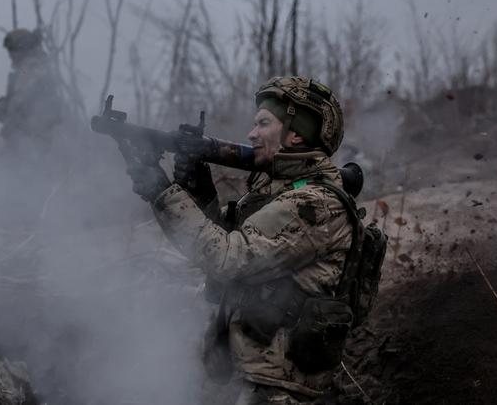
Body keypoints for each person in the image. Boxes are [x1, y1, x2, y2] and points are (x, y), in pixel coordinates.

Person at [123, 76, 360, 404]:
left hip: (279, 390)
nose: (251, 134)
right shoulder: (276, 192)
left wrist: (162, 192)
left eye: (264, 123)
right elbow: (222, 243)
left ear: (296, 133)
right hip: (246, 376)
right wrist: (199, 191)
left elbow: (227, 260)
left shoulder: (314, 204)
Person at [0, 29, 62, 156]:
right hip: (31, 138)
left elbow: (19, 103)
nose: (10, 55)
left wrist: (5, 107)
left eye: (12, 50)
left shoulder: (33, 68)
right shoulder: (29, 69)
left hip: (35, 140)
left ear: (21, 49)